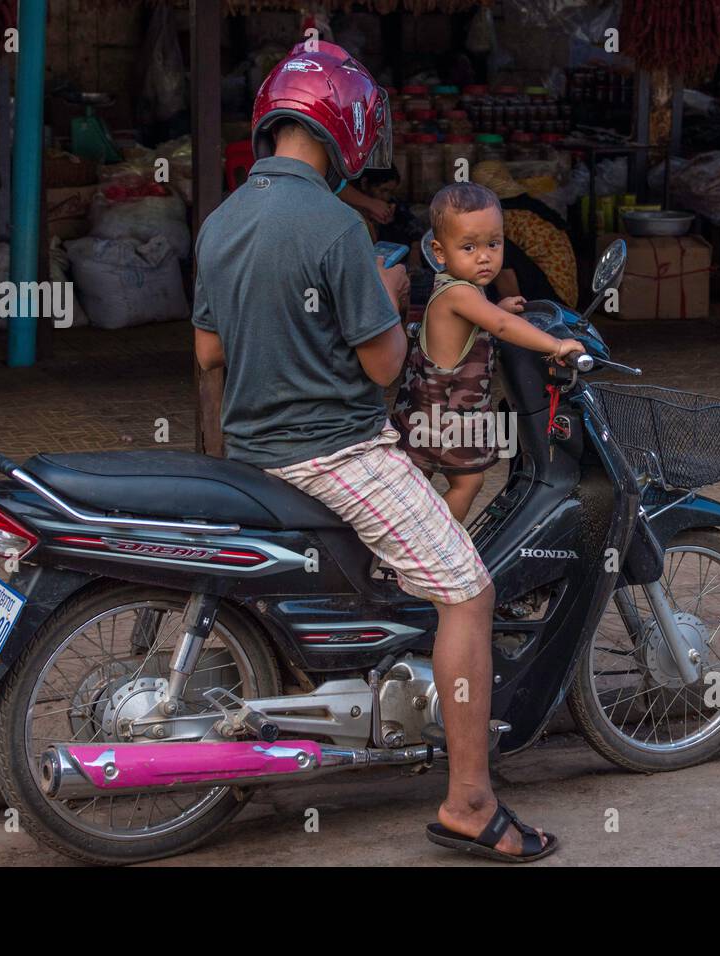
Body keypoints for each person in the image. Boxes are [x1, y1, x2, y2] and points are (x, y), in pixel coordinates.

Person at [190, 41, 558, 861]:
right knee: (467, 593)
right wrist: (389, 296)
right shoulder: (334, 224)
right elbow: (388, 365)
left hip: (253, 456)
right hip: (336, 454)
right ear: (348, 128)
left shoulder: (220, 221)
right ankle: (470, 800)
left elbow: (209, 359)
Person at [391, 182, 584, 523]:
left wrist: (498, 307)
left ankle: (404, 552)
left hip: (422, 410)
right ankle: (438, 546)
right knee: (467, 482)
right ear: (439, 252)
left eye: (493, 244)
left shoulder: (458, 289)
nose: (484, 256)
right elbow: (501, 327)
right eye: (468, 247)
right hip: (445, 417)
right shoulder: (461, 295)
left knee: (414, 484)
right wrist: (556, 345)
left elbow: (484, 319)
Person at [470, 160, 579, 308]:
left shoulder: (508, 214)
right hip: (564, 295)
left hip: (553, 298)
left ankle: (512, 308)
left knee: (495, 247)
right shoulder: (531, 206)